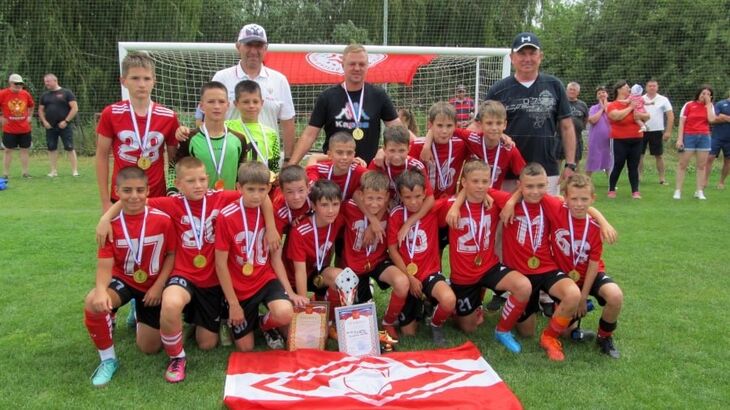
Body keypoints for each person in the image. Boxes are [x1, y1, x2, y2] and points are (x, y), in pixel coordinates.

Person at [83, 166, 176, 386]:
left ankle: (137, 310)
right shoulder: (110, 226)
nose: (134, 196)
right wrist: (100, 291)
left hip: (152, 286)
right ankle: (108, 360)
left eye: (139, 190)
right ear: (117, 191)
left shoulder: (163, 220)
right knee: (93, 302)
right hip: (123, 280)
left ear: (148, 191)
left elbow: (172, 255)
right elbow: (105, 265)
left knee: (149, 348)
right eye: (127, 190)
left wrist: (159, 286)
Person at [491, 163, 581, 361]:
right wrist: (511, 200)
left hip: (546, 269)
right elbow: (477, 189)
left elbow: (581, 209)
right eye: (529, 186)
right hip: (521, 275)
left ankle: (549, 337)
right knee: (527, 332)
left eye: (540, 186)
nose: (535, 191)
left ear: (547, 184)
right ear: (519, 185)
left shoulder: (550, 203)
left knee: (573, 294)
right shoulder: (506, 200)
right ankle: (515, 310)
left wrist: (603, 222)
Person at [445, 160, 531, 353]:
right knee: (468, 328)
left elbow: (524, 192)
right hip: (464, 276)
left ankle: (502, 330)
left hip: (488, 267)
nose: (480, 186)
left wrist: (510, 202)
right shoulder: (449, 205)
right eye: (475, 181)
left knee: (523, 286)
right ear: (464, 182)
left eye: (485, 181)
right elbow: (425, 208)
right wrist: (457, 203)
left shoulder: (494, 199)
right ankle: (455, 302)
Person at [215, 161, 294, 352]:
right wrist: (234, 304)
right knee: (245, 347)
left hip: (264, 278)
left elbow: (275, 258)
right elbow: (220, 264)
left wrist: (289, 292)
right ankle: (229, 311)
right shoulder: (226, 216)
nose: (256, 195)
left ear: (268, 188)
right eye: (250, 189)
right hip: (239, 287)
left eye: (261, 190)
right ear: (239, 188)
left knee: (285, 314)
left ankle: (264, 323)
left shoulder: (270, 214)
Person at [485, 32, 577, 194]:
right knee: (508, 210)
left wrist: (570, 164)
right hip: (508, 172)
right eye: (521, 53)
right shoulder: (498, 90)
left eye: (532, 53)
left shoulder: (554, 85)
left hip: (546, 170)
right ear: (512, 57)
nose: (527, 58)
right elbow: (480, 125)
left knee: (546, 211)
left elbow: (567, 127)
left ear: (540, 56)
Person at [546, 174, 623, 358]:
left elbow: (594, 265)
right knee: (566, 333)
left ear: (592, 199)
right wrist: (510, 202)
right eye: (574, 199)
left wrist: (583, 297)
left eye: (584, 199)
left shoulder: (595, 227)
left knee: (615, 296)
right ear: (565, 197)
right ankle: (568, 320)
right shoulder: (557, 209)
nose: (579, 204)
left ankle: (604, 337)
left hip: (590, 275)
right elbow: (533, 190)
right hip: (564, 278)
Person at [289, 44, 403, 165]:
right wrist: (291, 165)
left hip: (367, 168)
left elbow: (398, 130)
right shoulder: (327, 97)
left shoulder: (378, 95)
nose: (357, 68)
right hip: (334, 169)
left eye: (362, 64)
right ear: (343, 65)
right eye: (352, 64)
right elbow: (309, 135)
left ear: (367, 66)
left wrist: (384, 150)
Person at [96, 51, 179, 212]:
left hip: (157, 196)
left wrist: (173, 194)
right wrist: (105, 201)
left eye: (147, 79)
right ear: (123, 81)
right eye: (135, 78)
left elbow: (174, 162)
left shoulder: (169, 117)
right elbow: (101, 156)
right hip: (122, 196)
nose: (142, 84)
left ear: (154, 81)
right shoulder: (111, 113)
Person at [387, 169, 454, 347]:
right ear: (400, 196)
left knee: (449, 300)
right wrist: (409, 277)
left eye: (418, 196)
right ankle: (418, 307)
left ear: (425, 193)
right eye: (407, 197)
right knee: (409, 332)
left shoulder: (433, 209)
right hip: (408, 275)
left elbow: (458, 197)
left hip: (429, 272)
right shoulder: (396, 215)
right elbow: (392, 250)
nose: (413, 201)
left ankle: (436, 324)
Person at [212, 24, 296, 164]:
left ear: (266, 48)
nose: (253, 51)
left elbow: (288, 122)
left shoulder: (279, 80)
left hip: (266, 162)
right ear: (238, 46)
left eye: (259, 46)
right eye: (249, 45)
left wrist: (288, 160)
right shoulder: (222, 77)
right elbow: (206, 117)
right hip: (227, 160)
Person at [341, 171, 410, 341]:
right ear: (361, 195)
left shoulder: (391, 210)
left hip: (378, 260)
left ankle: (388, 321)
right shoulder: (348, 207)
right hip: (354, 266)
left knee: (402, 282)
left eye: (379, 198)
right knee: (360, 318)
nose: (374, 203)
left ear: (386, 197)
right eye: (370, 198)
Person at [172, 82, 244, 190]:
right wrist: (172, 192)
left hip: (230, 199)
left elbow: (242, 174)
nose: (216, 106)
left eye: (221, 102)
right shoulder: (189, 138)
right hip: (199, 199)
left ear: (228, 105)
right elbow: (174, 168)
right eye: (211, 102)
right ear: (201, 106)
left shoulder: (239, 139)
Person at [606, 80, 650, 199]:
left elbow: (647, 116)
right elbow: (616, 116)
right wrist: (630, 107)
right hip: (619, 139)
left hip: (637, 138)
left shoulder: (636, 102)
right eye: (626, 87)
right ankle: (611, 189)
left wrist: (640, 115)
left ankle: (635, 191)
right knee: (618, 164)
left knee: (633, 165)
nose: (629, 89)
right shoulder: (613, 105)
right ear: (619, 89)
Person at [674, 85, 716, 200]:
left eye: (708, 94)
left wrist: (708, 105)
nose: (705, 96)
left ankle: (699, 191)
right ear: (699, 94)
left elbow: (711, 120)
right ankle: (678, 190)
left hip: (704, 137)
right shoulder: (689, 105)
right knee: (683, 164)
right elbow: (682, 122)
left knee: (701, 165)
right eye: (703, 93)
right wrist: (680, 139)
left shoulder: (710, 106)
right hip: (689, 136)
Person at [38, 73, 79, 177]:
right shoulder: (44, 95)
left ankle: (75, 171)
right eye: (45, 82)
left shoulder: (67, 93)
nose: (46, 83)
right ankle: (53, 171)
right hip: (50, 126)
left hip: (65, 126)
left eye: (48, 81)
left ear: (55, 80)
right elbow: (40, 110)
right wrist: (44, 122)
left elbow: (75, 108)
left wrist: (66, 121)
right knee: (51, 147)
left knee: (69, 147)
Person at [640, 79, 674, 185]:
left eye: (654, 86)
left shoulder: (663, 99)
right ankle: (638, 178)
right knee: (639, 155)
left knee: (659, 155)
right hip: (642, 130)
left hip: (657, 131)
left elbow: (670, 116)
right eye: (650, 86)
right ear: (646, 88)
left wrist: (668, 132)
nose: (652, 88)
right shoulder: (640, 99)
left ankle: (662, 179)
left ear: (657, 87)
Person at [1, 74, 34, 179]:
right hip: (9, 128)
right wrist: (1, 117)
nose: (18, 85)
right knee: (8, 150)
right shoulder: (3, 94)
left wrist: (30, 116)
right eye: (16, 83)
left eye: (20, 84)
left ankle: (25, 173)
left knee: (24, 150)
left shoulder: (25, 94)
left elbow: (31, 105)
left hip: (24, 128)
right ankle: (6, 173)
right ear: (10, 83)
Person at [585, 86, 613, 177]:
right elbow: (592, 120)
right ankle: (587, 180)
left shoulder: (613, 106)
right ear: (597, 97)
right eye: (599, 93)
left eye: (603, 92)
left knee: (609, 160)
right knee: (592, 160)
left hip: (610, 139)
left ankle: (611, 182)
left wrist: (606, 108)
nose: (601, 94)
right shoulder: (593, 108)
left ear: (607, 94)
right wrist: (602, 109)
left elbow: (613, 118)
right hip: (595, 139)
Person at [560, 82, 589, 167]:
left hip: (577, 138)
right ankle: (556, 176)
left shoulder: (582, 105)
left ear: (578, 92)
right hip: (560, 137)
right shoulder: (560, 103)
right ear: (566, 90)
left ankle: (574, 176)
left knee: (574, 164)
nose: (572, 91)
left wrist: (579, 126)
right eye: (570, 89)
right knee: (557, 161)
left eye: (574, 90)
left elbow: (586, 119)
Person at [706, 91, 730, 189]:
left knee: (728, 161)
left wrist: (724, 117)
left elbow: (719, 117)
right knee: (709, 158)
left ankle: (721, 182)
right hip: (717, 137)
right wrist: (724, 118)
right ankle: (704, 181)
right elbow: (713, 119)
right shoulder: (720, 104)